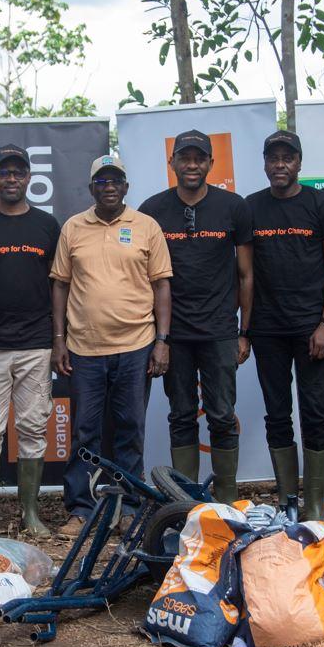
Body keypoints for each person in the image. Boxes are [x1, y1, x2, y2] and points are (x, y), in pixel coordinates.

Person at [52, 155, 172, 536]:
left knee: (130, 429)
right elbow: (60, 284)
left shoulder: (146, 226)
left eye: (115, 180)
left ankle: (130, 508)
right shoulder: (73, 227)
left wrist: (162, 341)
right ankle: (82, 510)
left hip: (136, 345)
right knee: (84, 432)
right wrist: (59, 340)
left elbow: (161, 286)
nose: (108, 187)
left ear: (125, 187)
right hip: (84, 348)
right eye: (101, 181)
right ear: (91, 189)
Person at [140, 129, 253, 504]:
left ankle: (227, 498)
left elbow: (246, 274)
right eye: (184, 158)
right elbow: (144, 277)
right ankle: (185, 500)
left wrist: (244, 330)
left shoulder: (233, 207)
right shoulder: (152, 210)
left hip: (220, 330)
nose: (192, 165)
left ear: (210, 163)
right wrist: (158, 337)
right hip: (174, 333)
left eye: (199, 158)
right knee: (181, 414)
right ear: (171, 163)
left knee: (222, 414)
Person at [245, 131, 324, 519]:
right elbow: (246, 274)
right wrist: (246, 329)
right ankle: (289, 501)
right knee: (277, 414)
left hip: (311, 328)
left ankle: (316, 503)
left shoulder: (322, 204)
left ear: (299, 163)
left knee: (317, 413)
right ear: (266, 163)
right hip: (268, 329)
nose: (280, 164)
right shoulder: (251, 207)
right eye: (274, 158)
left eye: (288, 158)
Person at [0, 144, 62, 534]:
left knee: (32, 427)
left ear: (29, 177)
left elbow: (59, 284)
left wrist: (59, 338)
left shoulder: (47, 224)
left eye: (18, 172)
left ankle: (30, 512)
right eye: (4, 171)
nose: (11, 178)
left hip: (35, 343)